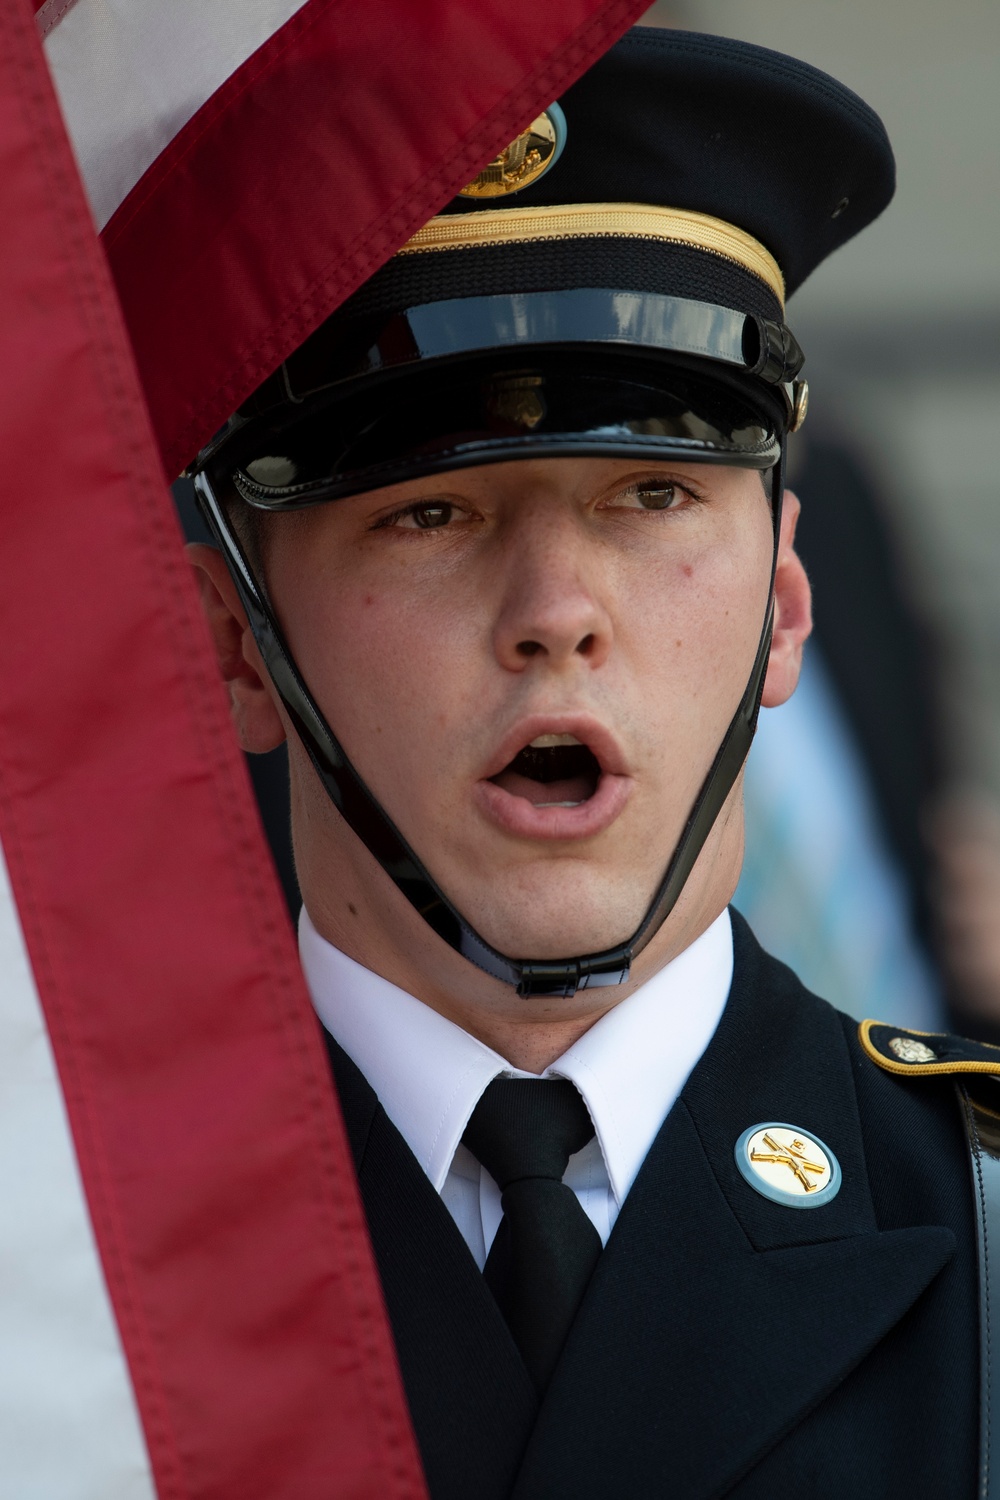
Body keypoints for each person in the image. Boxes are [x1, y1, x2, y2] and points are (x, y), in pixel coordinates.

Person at [186, 28, 994, 1499]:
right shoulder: (65, 1265)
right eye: (429, 515)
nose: (557, 613)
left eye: (651, 492)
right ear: (238, 647)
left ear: (783, 615)